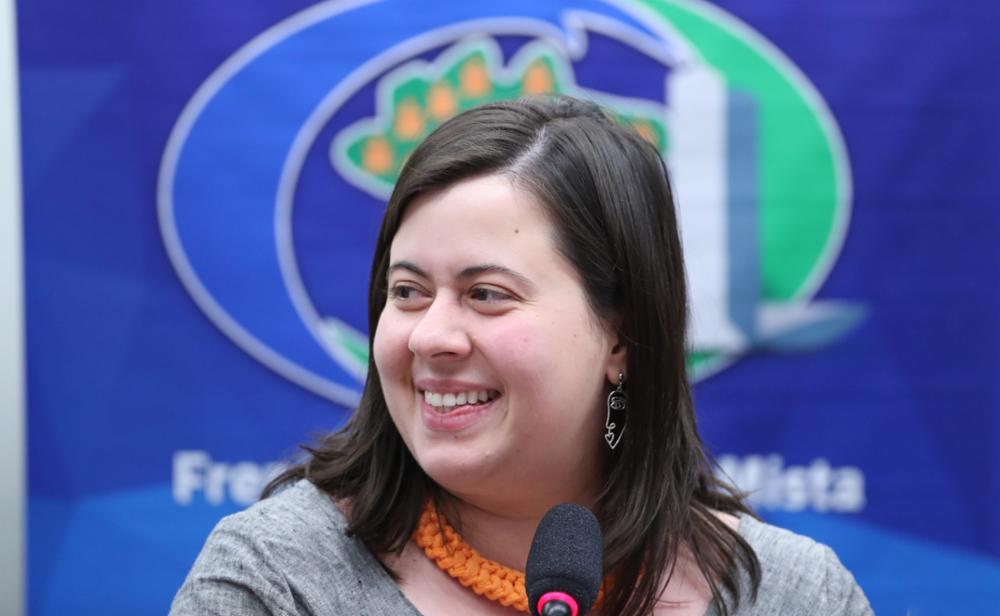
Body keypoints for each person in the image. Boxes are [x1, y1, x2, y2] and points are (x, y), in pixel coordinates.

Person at [170, 96, 873, 615]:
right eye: (408, 291)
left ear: (620, 337)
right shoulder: (276, 578)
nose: (431, 335)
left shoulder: (791, 595)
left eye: (486, 294)